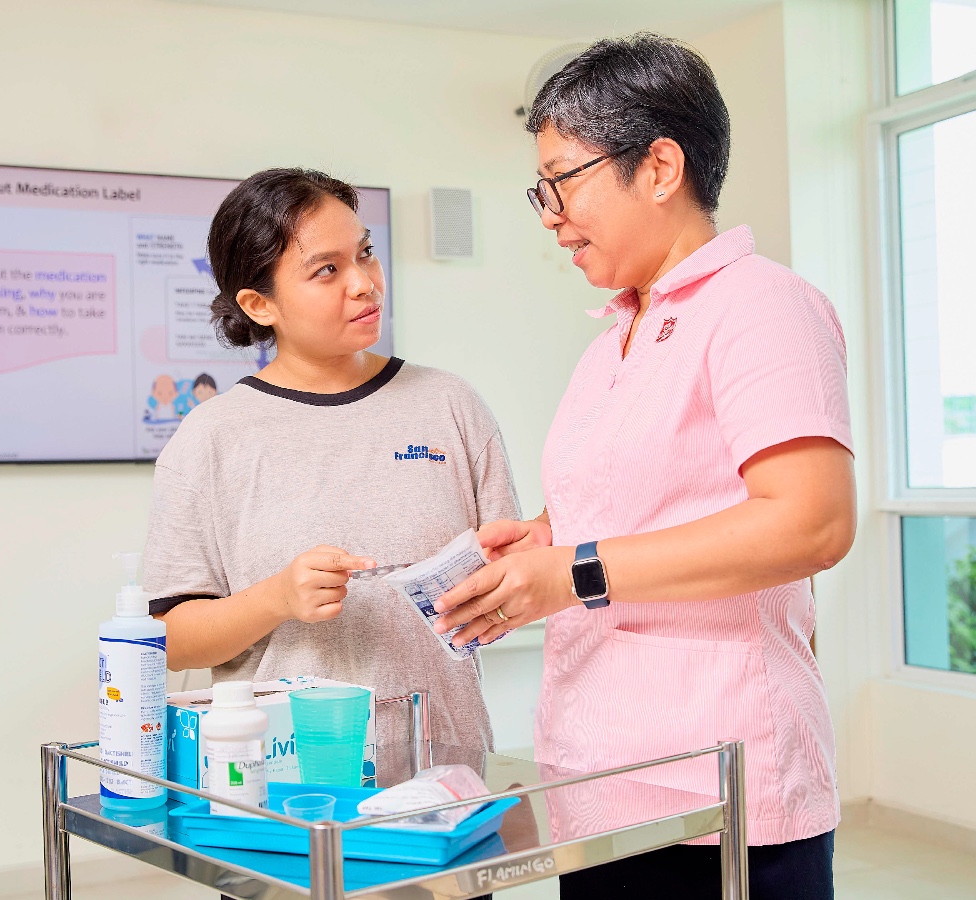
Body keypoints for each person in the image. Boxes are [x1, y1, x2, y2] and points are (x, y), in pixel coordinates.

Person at [431, 35, 855, 900]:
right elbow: (647, 505)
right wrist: (543, 542)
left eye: (563, 180)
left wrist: (574, 572)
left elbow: (810, 521)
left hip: (718, 790)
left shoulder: (762, 308)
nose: (548, 212)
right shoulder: (612, 341)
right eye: (539, 189)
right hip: (598, 779)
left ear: (659, 167)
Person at [141, 168, 520, 762]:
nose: (365, 283)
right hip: (283, 779)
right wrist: (276, 599)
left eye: (366, 254)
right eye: (327, 270)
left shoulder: (450, 405)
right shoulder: (211, 438)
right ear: (258, 303)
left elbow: (513, 576)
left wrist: (504, 584)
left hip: (445, 765)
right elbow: (172, 641)